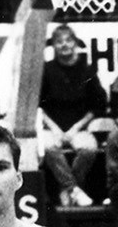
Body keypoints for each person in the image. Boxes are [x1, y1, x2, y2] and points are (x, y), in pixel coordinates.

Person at [39, 24, 107, 208]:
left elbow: (99, 105)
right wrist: (54, 129)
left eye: (68, 40)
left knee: (89, 149)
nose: (64, 44)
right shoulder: (46, 70)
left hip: (78, 128)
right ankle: (74, 190)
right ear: (53, 46)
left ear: (75, 43)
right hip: (51, 128)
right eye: (59, 41)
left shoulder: (87, 70)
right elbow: (38, 106)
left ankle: (68, 189)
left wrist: (76, 128)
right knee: (47, 147)